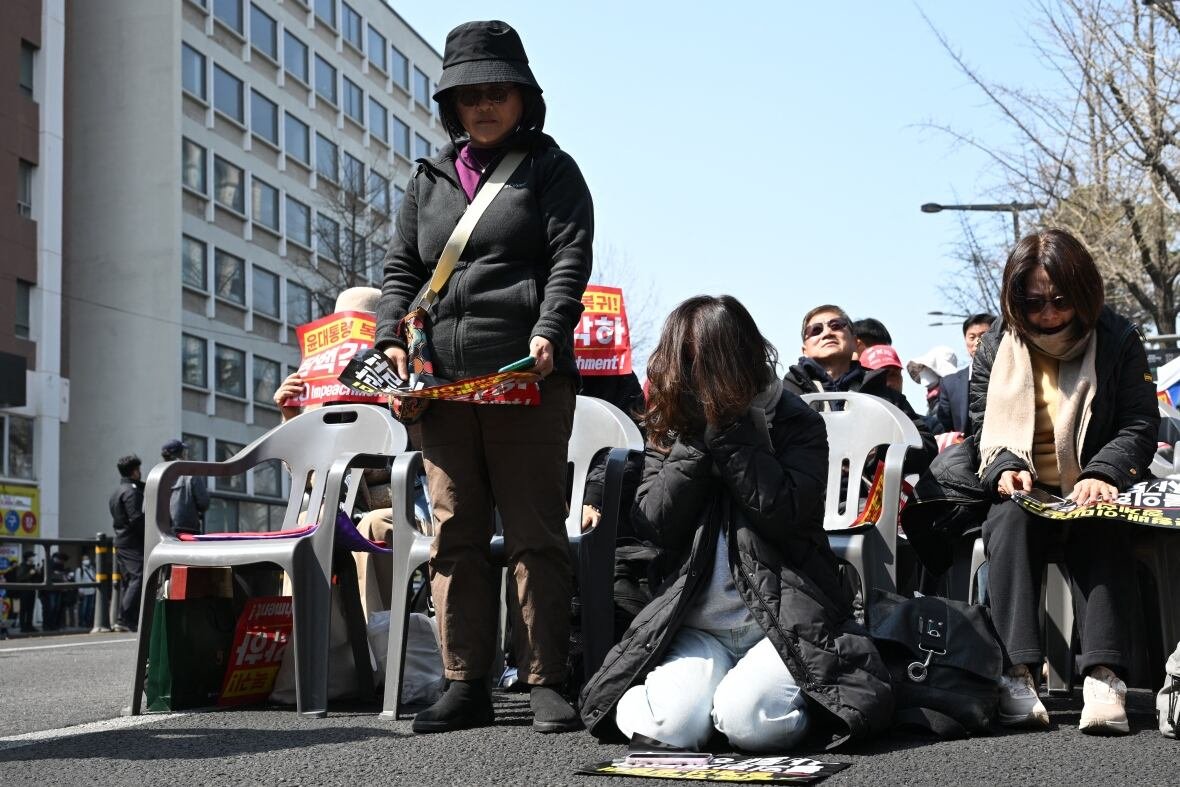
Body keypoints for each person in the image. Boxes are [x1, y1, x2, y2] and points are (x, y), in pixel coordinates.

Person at [375, 20, 593, 735]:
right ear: (452, 105)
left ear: (524, 98)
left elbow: (569, 257)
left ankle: (545, 680)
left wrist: (549, 329)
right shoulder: (426, 178)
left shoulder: (551, 170)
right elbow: (401, 270)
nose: (485, 105)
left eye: (499, 92)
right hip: (441, 388)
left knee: (535, 532)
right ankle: (463, 680)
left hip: (524, 374)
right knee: (454, 534)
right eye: (470, 95)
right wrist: (390, 341)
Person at [579, 296, 893, 751]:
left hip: (785, 619)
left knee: (750, 723)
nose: (691, 377)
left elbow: (785, 516)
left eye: (700, 363)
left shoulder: (792, 418)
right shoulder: (673, 422)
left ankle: (760, 701)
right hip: (695, 626)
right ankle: (705, 700)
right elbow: (655, 524)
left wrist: (732, 434)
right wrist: (696, 442)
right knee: (669, 729)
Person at [903, 229, 1158, 735]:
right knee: (1008, 522)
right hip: (1023, 486)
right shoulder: (997, 342)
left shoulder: (1119, 339)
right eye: (1033, 301)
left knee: (1100, 523)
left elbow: (1138, 423)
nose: (1046, 314)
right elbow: (980, 424)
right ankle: (1017, 673)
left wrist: (1102, 474)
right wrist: (1003, 468)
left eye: (1059, 301)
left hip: (1092, 481)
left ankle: (1103, 675)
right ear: (1014, 299)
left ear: (1083, 292)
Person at [783, 304, 937, 470]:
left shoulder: (882, 393)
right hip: (805, 492)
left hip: (871, 493)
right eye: (816, 330)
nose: (827, 333)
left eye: (836, 325)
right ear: (804, 349)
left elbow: (925, 444)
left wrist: (879, 452)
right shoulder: (786, 394)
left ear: (855, 342)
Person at [933, 313, 996, 436]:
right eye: (972, 337)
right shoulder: (950, 384)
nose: (977, 342)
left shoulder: (1011, 374)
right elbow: (943, 426)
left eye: (983, 335)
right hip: (967, 451)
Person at [110, 454, 145, 633]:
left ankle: (122, 619)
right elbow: (137, 518)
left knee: (129, 580)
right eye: (138, 469)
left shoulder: (118, 491)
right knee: (138, 577)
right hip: (132, 543)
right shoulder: (132, 491)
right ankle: (125, 618)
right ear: (134, 471)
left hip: (121, 540)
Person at [161, 439, 209, 536]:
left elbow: (145, 509)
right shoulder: (191, 474)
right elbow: (204, 503)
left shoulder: (156, 476)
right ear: (182, 454)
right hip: (187, 532)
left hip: (161, 534)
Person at [906, 345, 959, 423]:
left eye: (925, 367)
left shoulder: (949, 399)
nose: (922, 371)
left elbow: (938, 425)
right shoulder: (932, 400)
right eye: (922, 367)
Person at [15, 551, 40, 633]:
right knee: (23, 609)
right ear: (28, 558)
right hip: (24, 591)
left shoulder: (33, 566)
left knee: (31, 609)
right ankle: (23, 627)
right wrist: (30, 573)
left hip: (32, 590)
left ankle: (29, 625)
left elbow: (37, 580)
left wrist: (38, 572)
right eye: (32, 556)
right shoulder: (22, 566)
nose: (33, 558)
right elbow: (20, 578)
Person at [76, 553, 97, 630]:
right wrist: (80, 590)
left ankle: (88, 623)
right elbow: (78, 581)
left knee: (90, 608)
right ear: (82, 561)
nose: (87, 560)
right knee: (83, 608)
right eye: (85, 559)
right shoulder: (79, 570)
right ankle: (82, 623)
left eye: (87, 559)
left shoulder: (92, 569)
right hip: (84, 592)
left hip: (92, 591)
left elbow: (94, 579)